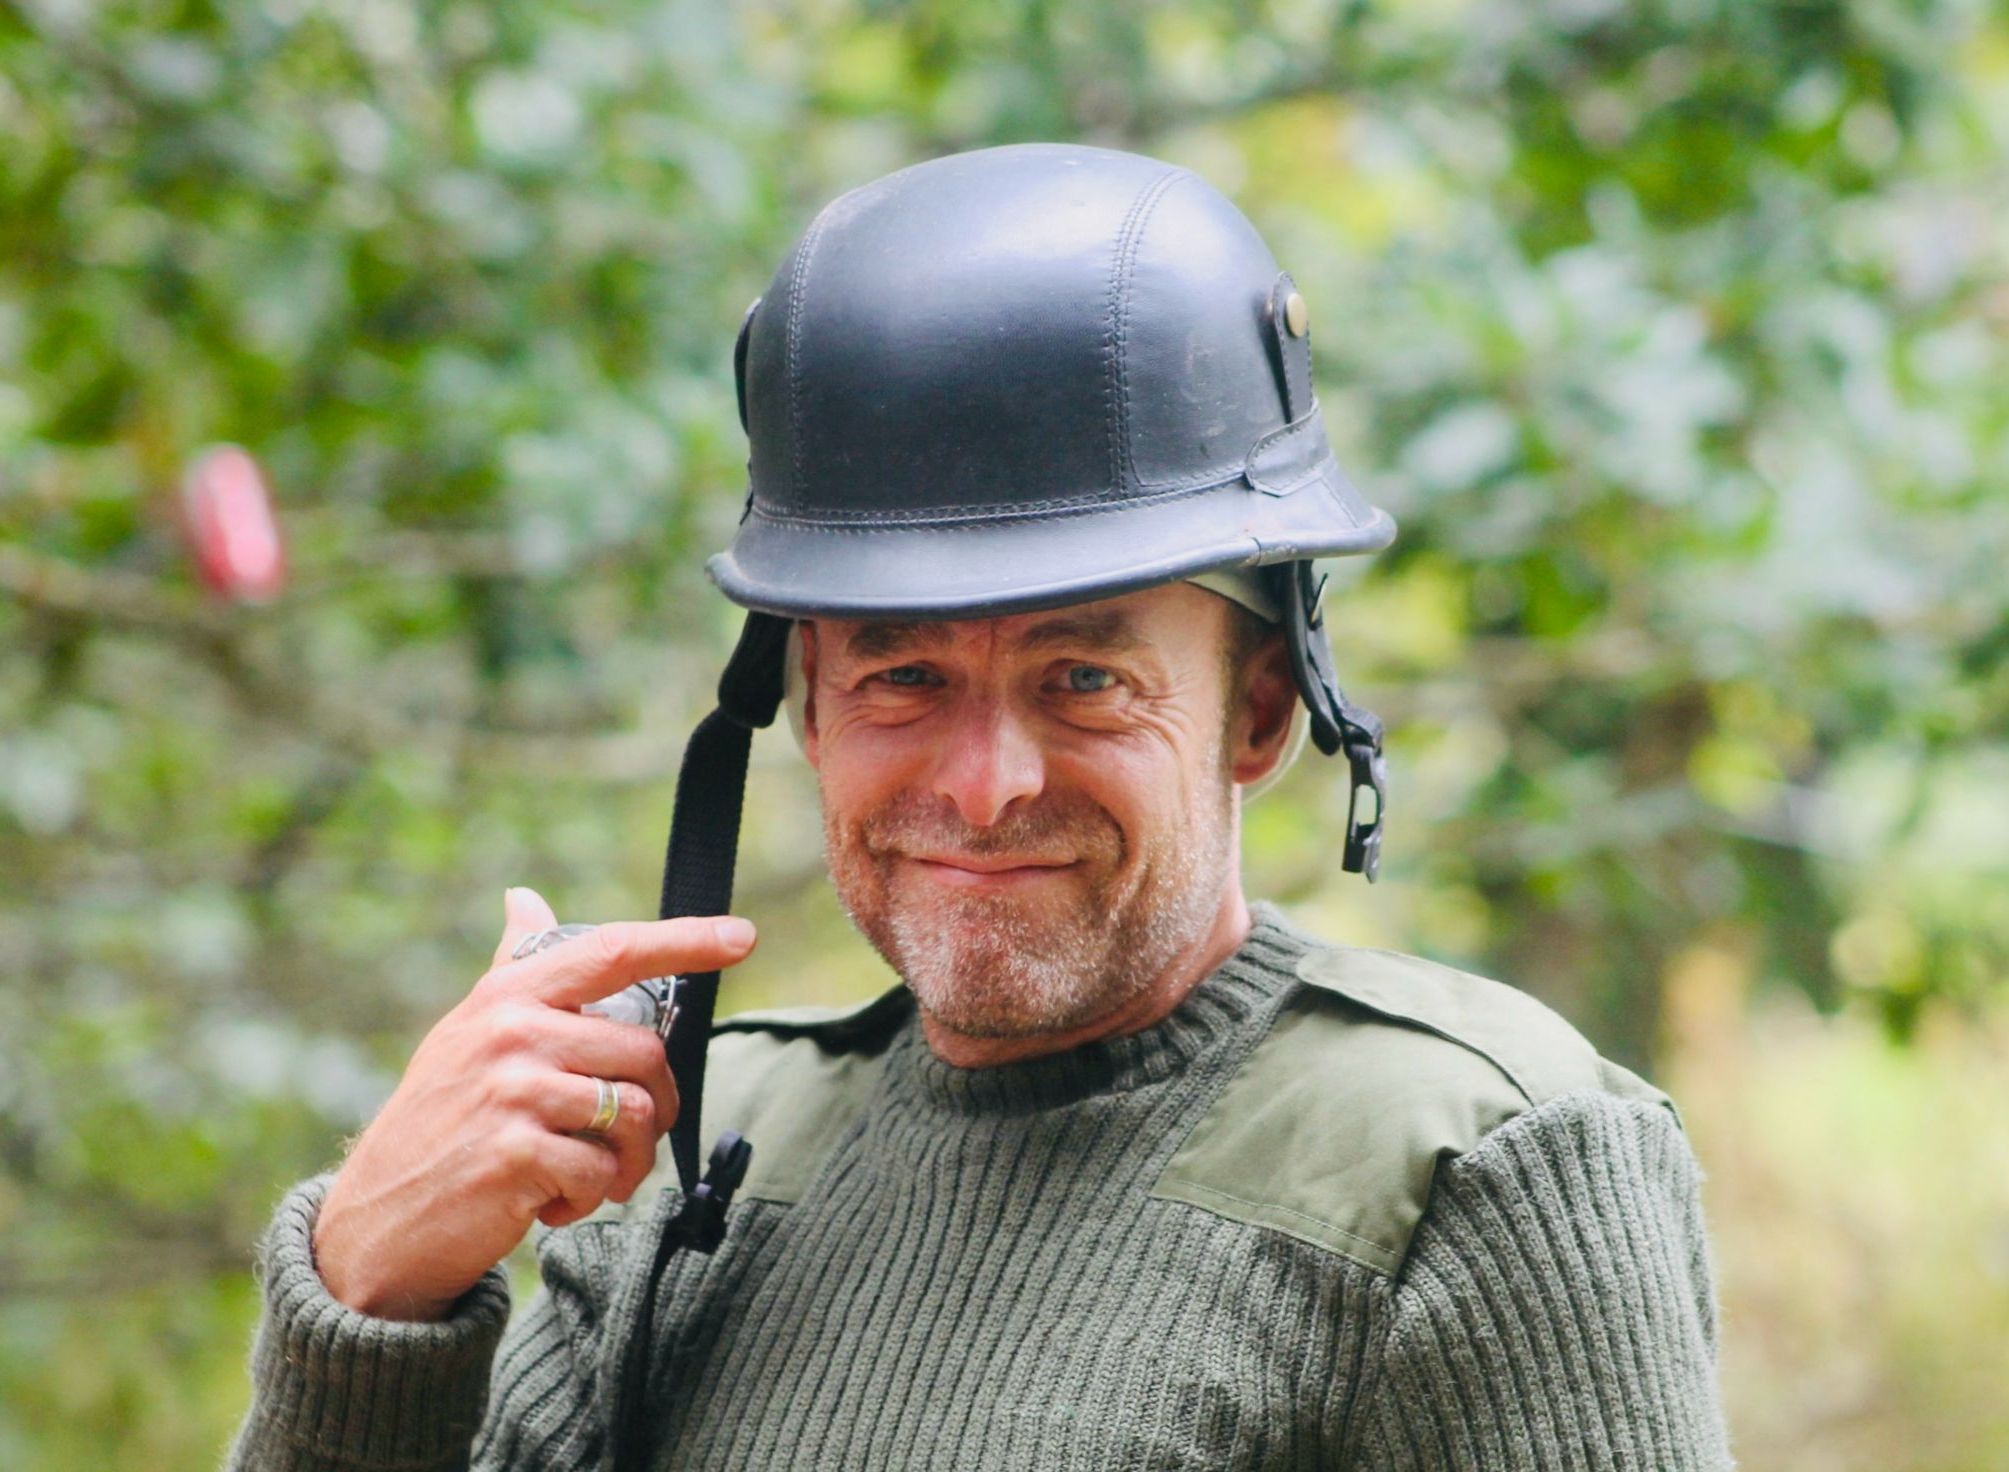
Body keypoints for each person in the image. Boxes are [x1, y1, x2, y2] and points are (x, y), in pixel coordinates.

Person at [226, 143, 1733, 1470]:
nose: (981, 783)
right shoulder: (696, 1152)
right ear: (809, 709)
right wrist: (369, 1288)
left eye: (1083, 678)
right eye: (901, 679)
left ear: (1260, 711)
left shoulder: (1468, 1159)